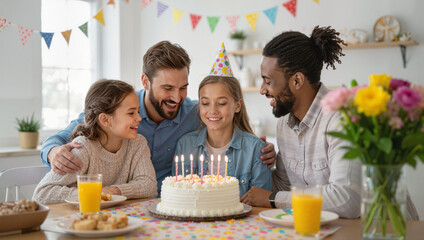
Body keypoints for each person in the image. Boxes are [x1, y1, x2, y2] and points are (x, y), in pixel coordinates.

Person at [40, 41, 276, 193]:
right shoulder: (118, 113)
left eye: (183, 87)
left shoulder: (195, 113)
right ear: (146, 82)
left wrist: (261, 149)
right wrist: (52, 152)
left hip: (168, 206)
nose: (177, 97)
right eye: (168, 88)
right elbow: (60, 138)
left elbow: (224, 121)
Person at [240, 26, 363, 218]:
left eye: (268, 81)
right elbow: (284, 185)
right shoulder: (284, 124)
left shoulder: (341, 117)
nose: (262, 90)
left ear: (296, 81)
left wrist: (274, 199)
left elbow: (346, 200)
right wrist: (255, 159)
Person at [33, 80, 157, 204]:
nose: (139, 118)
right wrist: (95, 194)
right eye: (131, 113)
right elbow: (42, 193)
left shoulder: (138, 143)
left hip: (117, 217)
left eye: (138, 111)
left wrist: (115, 191)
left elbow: (149, 186)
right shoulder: (84, 148)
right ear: (105, 119)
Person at [173, 44, 272, 196]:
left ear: (237, 105)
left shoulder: (255, 150)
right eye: (205, 103)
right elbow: (177, 193)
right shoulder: (185, 145)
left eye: (222, 103)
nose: (212, 110)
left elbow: (261, 201)